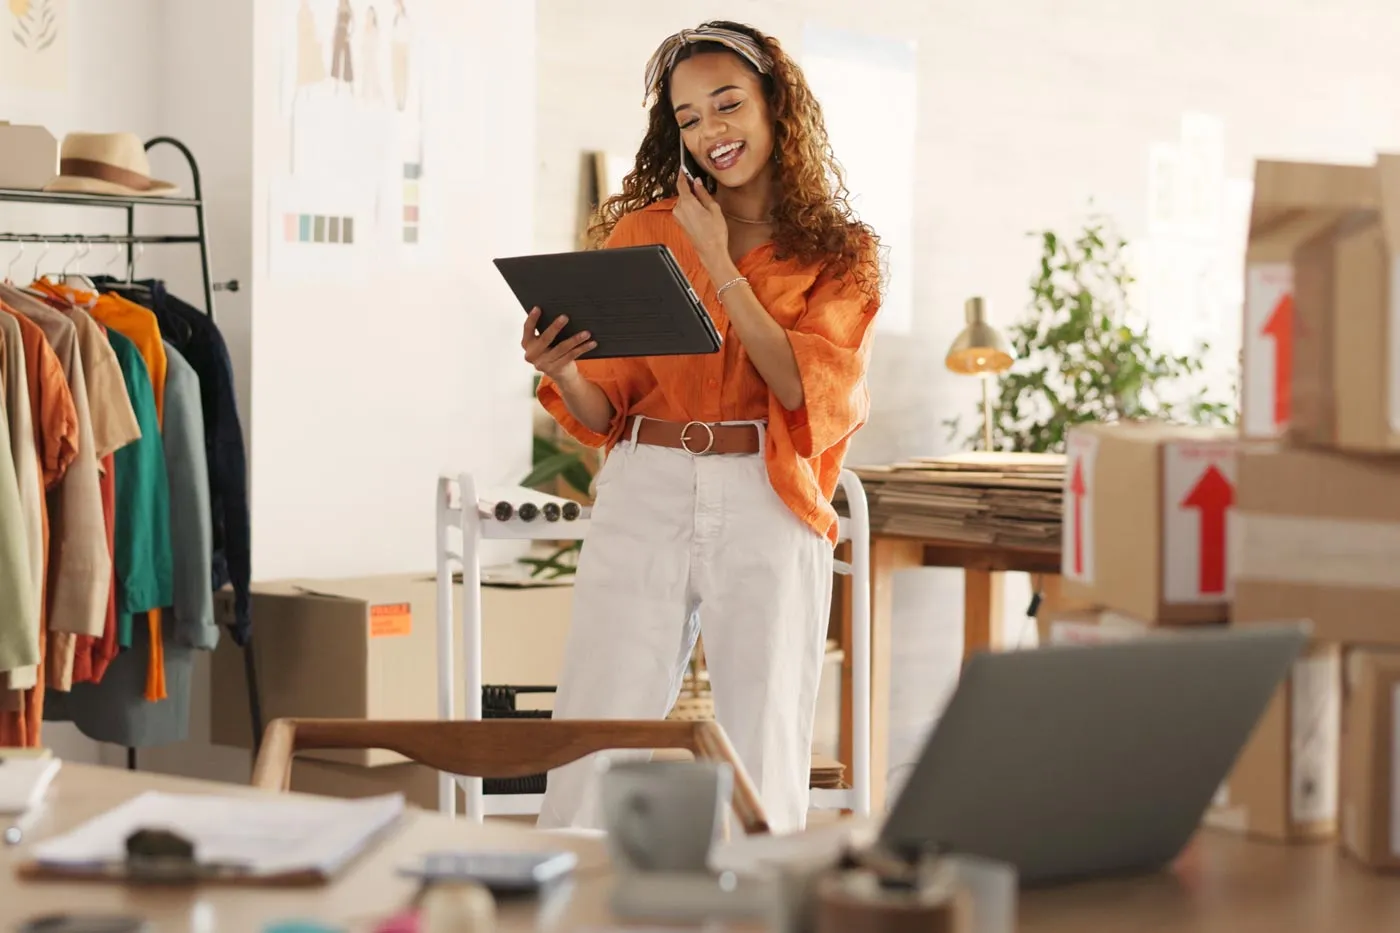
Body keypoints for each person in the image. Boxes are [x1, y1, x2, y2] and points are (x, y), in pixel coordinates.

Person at [526, 21, 881, 834]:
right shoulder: (643, 234)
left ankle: (755, 908)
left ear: (774, 105)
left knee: (764, 731)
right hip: (646, 481)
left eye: (726, 105)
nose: (711, 131)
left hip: (767, 491)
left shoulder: (840, 253)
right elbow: (604, 411)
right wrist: (563, 370)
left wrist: (719, 260)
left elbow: (802, 381)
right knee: (597, 718)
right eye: (688, 118)